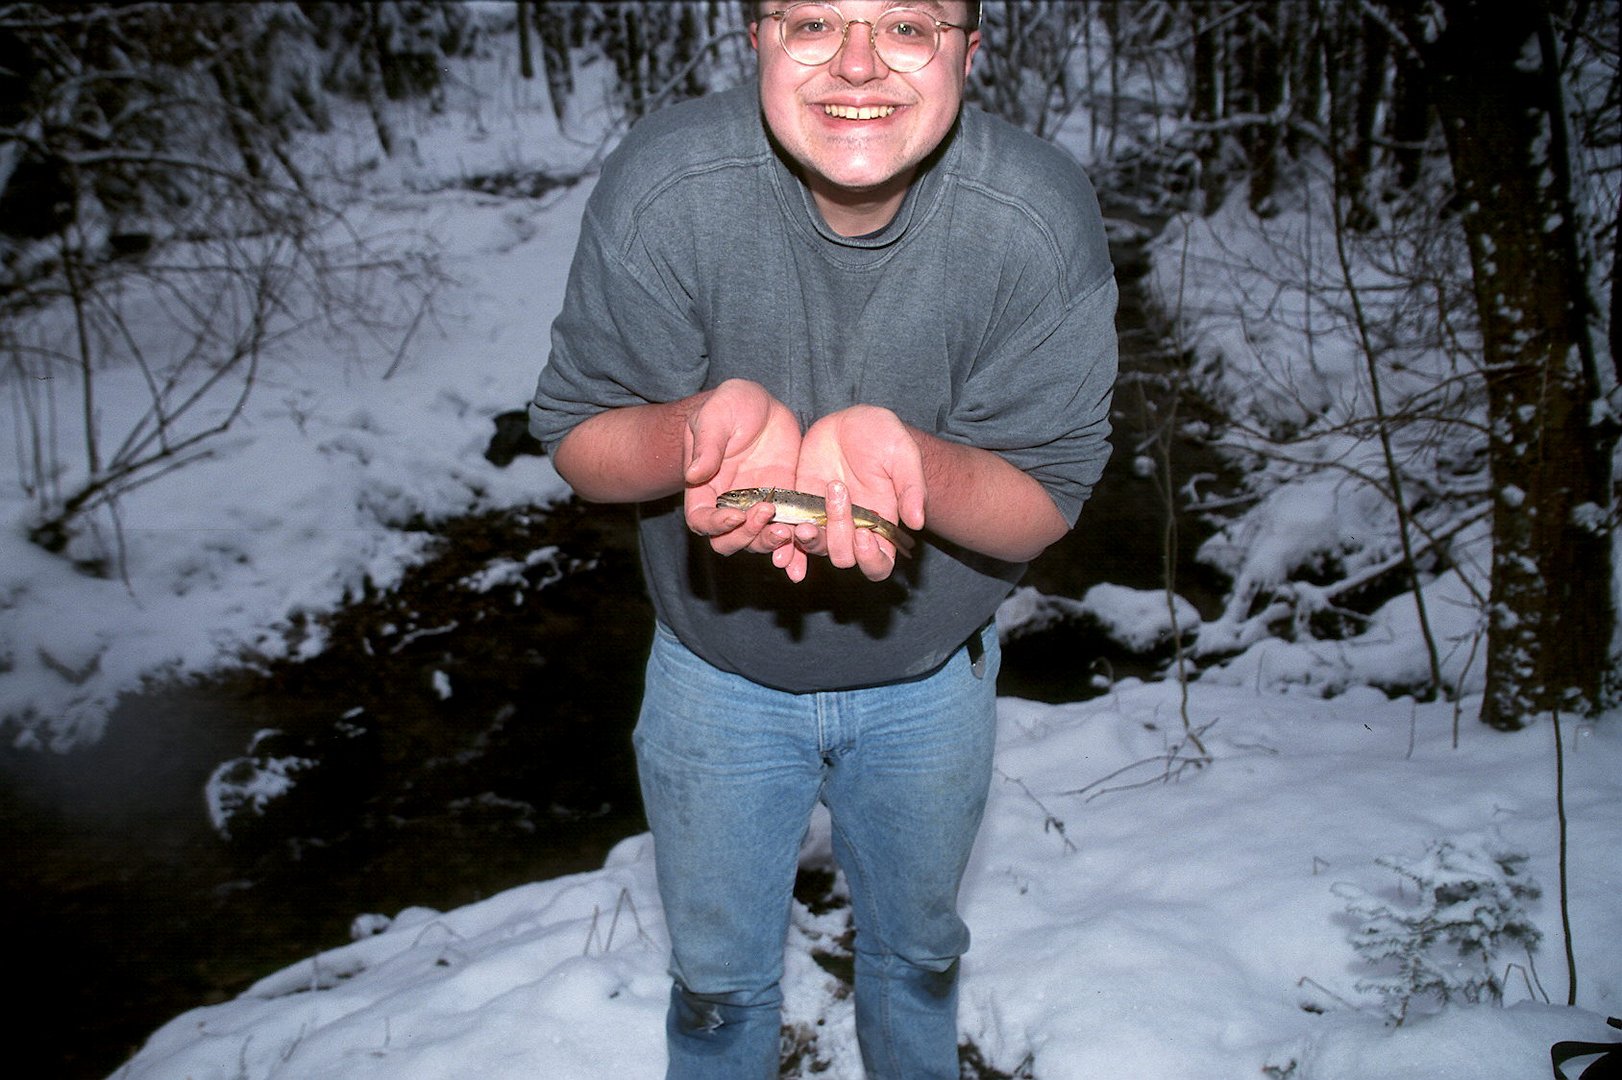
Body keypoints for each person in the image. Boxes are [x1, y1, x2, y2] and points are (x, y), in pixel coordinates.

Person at [528, 2, 1117, 1076]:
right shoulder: (666, 187)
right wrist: (691, 434)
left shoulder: (1031, 216)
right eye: (810, 21)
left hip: (930, 673)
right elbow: (578, 435)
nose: (856, 64)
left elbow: (1048, 494)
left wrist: (920, 468)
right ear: (753, 36)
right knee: (712, 987)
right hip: (712, 669)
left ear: (968, 50)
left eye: (906, 25)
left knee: (921, 957)